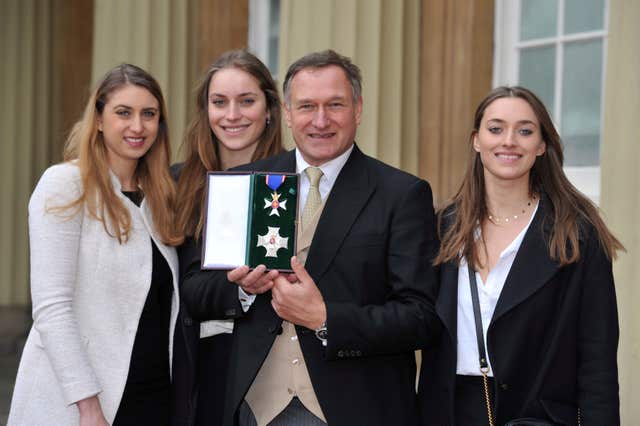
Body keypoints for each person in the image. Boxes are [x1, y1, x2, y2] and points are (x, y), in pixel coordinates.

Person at [180, 49, 441, 426]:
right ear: (287, 113)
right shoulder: (248, 184)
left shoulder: (401, 194)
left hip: (352, 408)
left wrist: (325, 318)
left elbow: (421, 317)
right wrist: (241, 289)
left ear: (358, 109)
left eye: (335, 104)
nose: (320, 120)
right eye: (306, 106)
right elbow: (193, 290)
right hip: (254, 407)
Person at [417, 86, 623, 425]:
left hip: (537, 415)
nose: (509, 141)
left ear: (541, 145)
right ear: (476, 140)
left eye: (525, 131)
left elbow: (597, 360)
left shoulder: (576, 234)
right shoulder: (442, 228)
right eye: (495, 129)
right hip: (449, 411)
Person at [8, 64, 182, 426]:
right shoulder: (66, 185)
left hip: (152, 399)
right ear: (99, 119)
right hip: (82, 403)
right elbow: (52, 309)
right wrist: (88, 407)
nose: (138, 126)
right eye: (123, 112)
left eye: (149, 114)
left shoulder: (161, 197)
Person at [171, 50, 283, 426]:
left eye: (246, 101)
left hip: (272, 370)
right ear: (206, 110)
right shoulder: (175, 184)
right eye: (219, 102)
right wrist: (237, 288)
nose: (232, 115)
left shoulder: (295, 182)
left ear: (269, 109)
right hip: (196, 366)